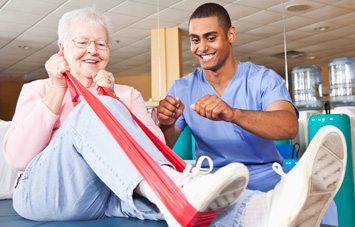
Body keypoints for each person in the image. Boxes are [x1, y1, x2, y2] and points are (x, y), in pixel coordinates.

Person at [2, 6, 346, 227]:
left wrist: (118, 104)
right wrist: (62, 92)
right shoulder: (41, 89)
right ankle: (179, 189)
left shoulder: (127, 95)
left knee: (171, 197)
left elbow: (150, 153)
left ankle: (261, 209)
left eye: (101, 44)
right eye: (81, 43)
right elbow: (18, 158)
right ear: (62, 49)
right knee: (102, 111)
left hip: (107, 193)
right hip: (47, 192)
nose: (92, 51)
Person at [156, 2, 339, 225]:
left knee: (326, 207)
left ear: (230, 35)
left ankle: (304, 179)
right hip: (214, 183)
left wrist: (233, 113)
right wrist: (165, 124)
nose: (202, 47)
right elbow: (161, 147)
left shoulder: (263, 79)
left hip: (266, 178)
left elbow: (289, 126)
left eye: (210, 38)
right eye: (195, 40)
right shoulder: (181, 88)